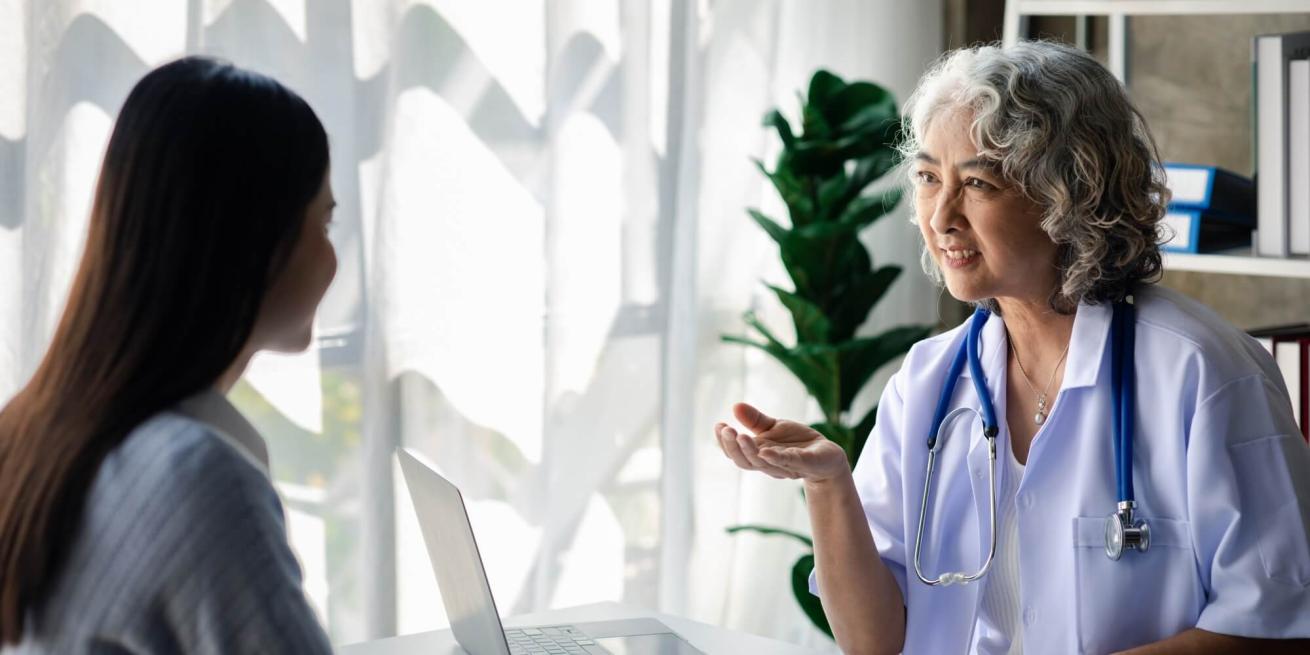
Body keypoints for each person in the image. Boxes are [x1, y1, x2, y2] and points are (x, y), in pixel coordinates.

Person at [714, 41, 1310, 654]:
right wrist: (828, 483)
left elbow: (1280, 631)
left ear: (1071, 195)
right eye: (927, 178)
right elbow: (875, 642)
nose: (941, 216)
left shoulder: (1204, 373)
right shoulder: (928, 381)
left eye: (977, 183)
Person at [0, 57, 336, 652]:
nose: (333, 260)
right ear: (259, 242)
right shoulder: (195, 479)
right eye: (324, 224)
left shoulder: (31, 434)